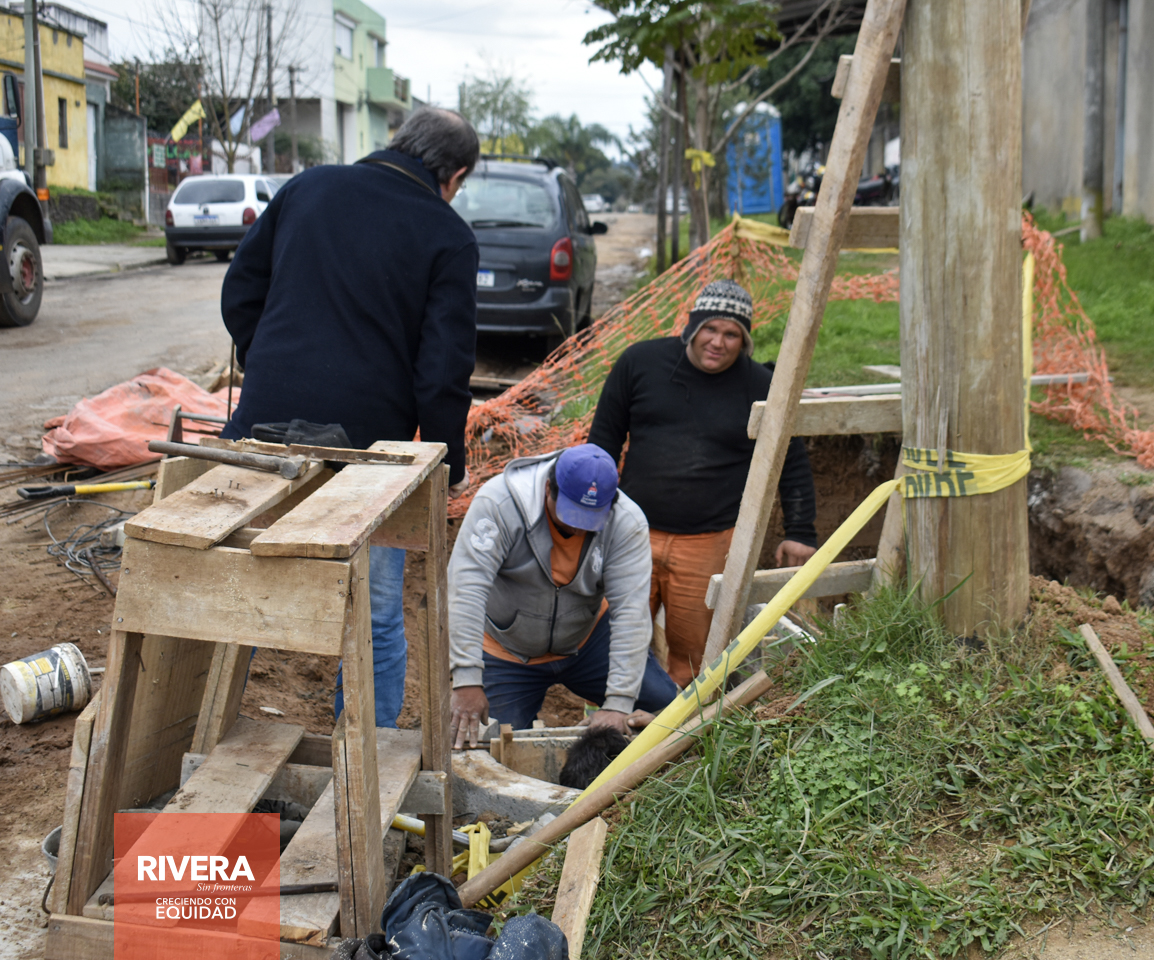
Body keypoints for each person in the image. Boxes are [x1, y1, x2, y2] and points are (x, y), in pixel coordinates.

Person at [219, 108, 481, 728]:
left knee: (236, 593)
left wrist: (271, 369)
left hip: (260, 432)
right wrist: (448, 464)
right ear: (456, 174)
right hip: (367, 457)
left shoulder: (308, 186)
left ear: (398, 142)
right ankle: (365, 749)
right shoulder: (448, 235)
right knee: (376, 613)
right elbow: (441, 373)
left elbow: (240, 290)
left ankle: (208, 727)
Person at [587, 279, 818, 687]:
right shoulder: (640, 363)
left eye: (732, 334)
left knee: (694, 652)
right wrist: (590, 511)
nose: (718, 341)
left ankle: (682, 736)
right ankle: (610, 730)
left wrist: (800, 530)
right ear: (692, 327)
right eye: (710, 329)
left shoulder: (761, 386)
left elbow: (791, 459)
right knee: (612, 641)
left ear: (744, 340)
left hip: (709, 542)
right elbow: (603, 441)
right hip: (631, 531)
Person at [446, 444, 679, 748]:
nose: (578, 527)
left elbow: (631, 613)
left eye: (590, 518)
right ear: (547, 489)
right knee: (488, 746)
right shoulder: (500, 503)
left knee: (664, 707)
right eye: (571, 515)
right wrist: (467, 679)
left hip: (587, 642)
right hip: (507, 651)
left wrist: (618, 704)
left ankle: (606, 709)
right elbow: (466, 589)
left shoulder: (625, 522)